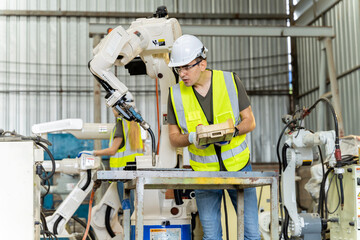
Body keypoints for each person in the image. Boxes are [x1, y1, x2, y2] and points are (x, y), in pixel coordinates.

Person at [167, 34, 260, 240]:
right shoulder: (175, 94)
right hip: (204, 174)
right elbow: (173, 138)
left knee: (252, 235)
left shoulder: (230, 81)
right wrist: (192, 137)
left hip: (239, 168)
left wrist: (233, 131)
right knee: (211, 237)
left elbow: (250, 121)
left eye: (186, 67)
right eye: (178, 68)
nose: (181, 74)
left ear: (202, 63)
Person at [78, 92, 144, 214]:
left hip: (122, 176)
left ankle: (130, 232)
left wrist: (92, 153)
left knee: (127, 210)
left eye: (113, 107)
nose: (112, 110)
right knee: (134, 211)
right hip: (135, 174)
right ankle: (134, 232)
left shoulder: (121, 124)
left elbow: (113, 150)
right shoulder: (134, 124)